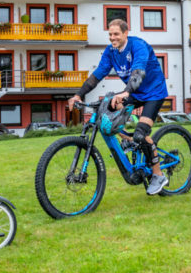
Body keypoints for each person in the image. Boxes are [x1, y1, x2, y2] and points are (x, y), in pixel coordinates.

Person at [68, 19, 170, 195]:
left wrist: (125, 92)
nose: (112, 38)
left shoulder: (138, 46)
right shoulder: (111, 52)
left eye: (116, 34)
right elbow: (98, 74)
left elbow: (138, 73)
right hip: (133, 93)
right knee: (107, 114)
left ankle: (158, 175)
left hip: (154, 93)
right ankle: (129, 141)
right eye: (110, 34)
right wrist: (79, 94)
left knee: (141, 133)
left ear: (125, 33)